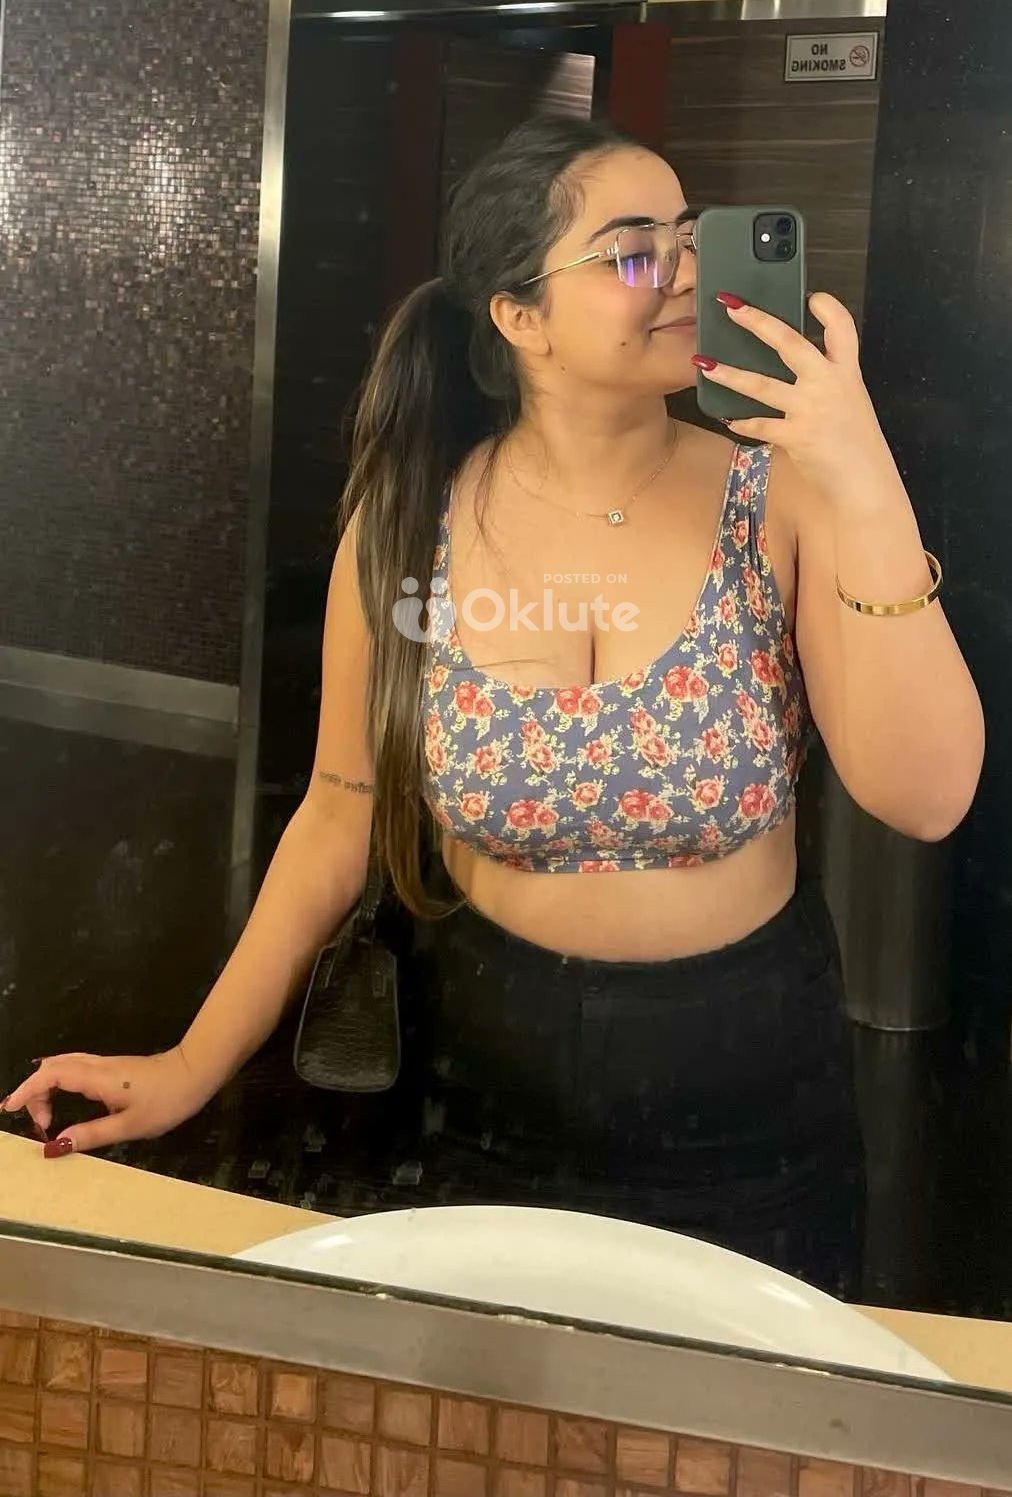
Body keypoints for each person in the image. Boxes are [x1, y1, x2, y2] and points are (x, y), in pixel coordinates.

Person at [2, 116, 983, 1297]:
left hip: (751, 1097)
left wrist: (863, 477)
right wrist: (191, 1062)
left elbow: (924, 798)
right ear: (521, 318)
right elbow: (338, 811)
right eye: (634, 252)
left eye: (688, 235)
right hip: (480, 1078)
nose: (683, 272)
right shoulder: (409, 521)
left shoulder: (779, 497)